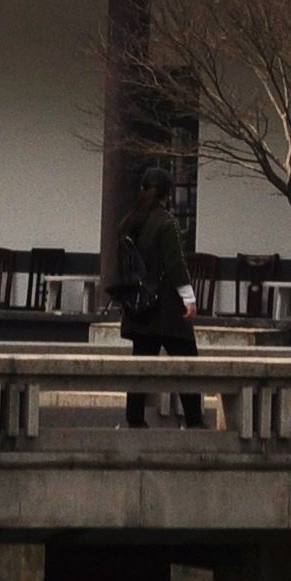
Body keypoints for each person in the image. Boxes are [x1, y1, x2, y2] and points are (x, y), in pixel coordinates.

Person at [110, 163, 196, 429]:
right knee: (188, 366)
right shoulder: (166, 223)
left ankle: (135, 419)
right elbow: (175, 264)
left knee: (142, 364)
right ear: (167, 194)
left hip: (139, 304)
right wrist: (189, 298)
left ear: (142, 190)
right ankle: (194, 421)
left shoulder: (129, 222)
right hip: (167, 308)